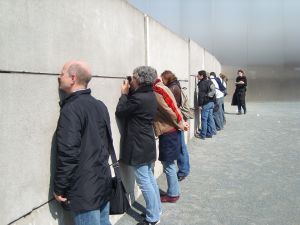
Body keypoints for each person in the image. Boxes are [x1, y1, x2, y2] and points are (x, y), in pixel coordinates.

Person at [54, 61, 112, 225]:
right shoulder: (99, 105)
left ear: (73, 78)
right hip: (102, 181)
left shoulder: (71, 109)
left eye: (62, 73)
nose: (59, 77)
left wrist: (59, 188)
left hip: (85, 189)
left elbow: (68, 153)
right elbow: (106, 145)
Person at [115, 66, 161, 225]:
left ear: (139, 80)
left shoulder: (138, 98)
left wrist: (123, 95)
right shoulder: (150, 95)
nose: (131, 80)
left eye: (134, 78)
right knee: (149, 178)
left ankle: (153, 218)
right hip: (146, 143)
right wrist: (131, 92)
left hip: (138, 146)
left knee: (144, 182)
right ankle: (156, 210)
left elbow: (120, 111)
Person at [152, 77, 189, 203]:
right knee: (169, 164)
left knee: (168, 164)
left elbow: (171, 109)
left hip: (168, 132)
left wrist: (181, 123)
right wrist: (181, 122)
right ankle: (174, 192)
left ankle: (173, 194)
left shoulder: (157, 89)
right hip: (169, 131)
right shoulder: (162, 87)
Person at [161, 70, 190, 182]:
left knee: (181, 147)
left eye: (162, 78)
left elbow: (172, 106)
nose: (162, 81)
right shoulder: (175, 85)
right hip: (179, 119)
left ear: (166, 78)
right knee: (181, 146)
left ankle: (183, 171)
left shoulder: (172, 88)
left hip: (177, 121)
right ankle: (184, 170)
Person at [195, 70, 216, 139]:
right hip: (211, 102)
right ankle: (209, 133)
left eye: (198, 75)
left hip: (206, 103)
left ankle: (203, 135)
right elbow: (214, 92)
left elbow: (201, 95)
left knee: (204, 119)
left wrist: (200, 105)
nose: (197, 76)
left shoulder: (202, 83)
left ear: (202, 76)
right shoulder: (210, 81)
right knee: (209, 118)